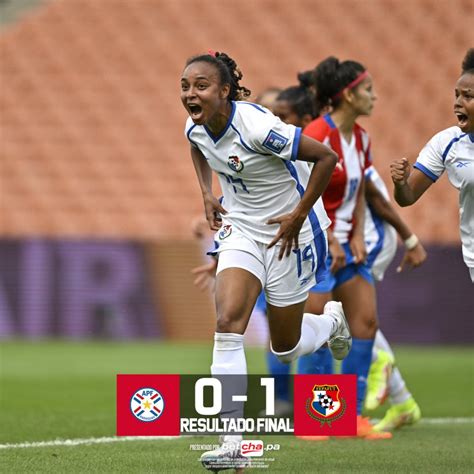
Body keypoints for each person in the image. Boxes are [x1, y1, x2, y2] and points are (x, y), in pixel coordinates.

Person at [181, 51, 351, 470]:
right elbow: (197, 148)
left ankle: (331, 322)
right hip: (241, 229)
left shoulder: (258, 127)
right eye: (185, 86)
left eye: (200, 86)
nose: (190, 94)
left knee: (286, 346)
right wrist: (207, 191)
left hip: (288, 232)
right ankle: (230, 441)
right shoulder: (196, 126)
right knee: (228, 324)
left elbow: (326, 159)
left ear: (225, 91)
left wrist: (297, 215)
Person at [297, 56, 394, 439]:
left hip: (349, 247)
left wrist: (354, 235)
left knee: (365, 322)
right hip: (318, 244)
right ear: (348, 95)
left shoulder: (363, 139)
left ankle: (352, 418)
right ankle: (315, 418)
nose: (374, 96)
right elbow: (302, 188)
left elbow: (356, 191)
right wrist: (333, 237)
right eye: (368, 90)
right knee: (320, 328)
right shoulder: (317, 132)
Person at [390, 48, 474, 283]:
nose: (458, 103)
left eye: (468, 96)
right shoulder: (447, 142)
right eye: (456, 95)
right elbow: (407, 197)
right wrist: (400, 183)